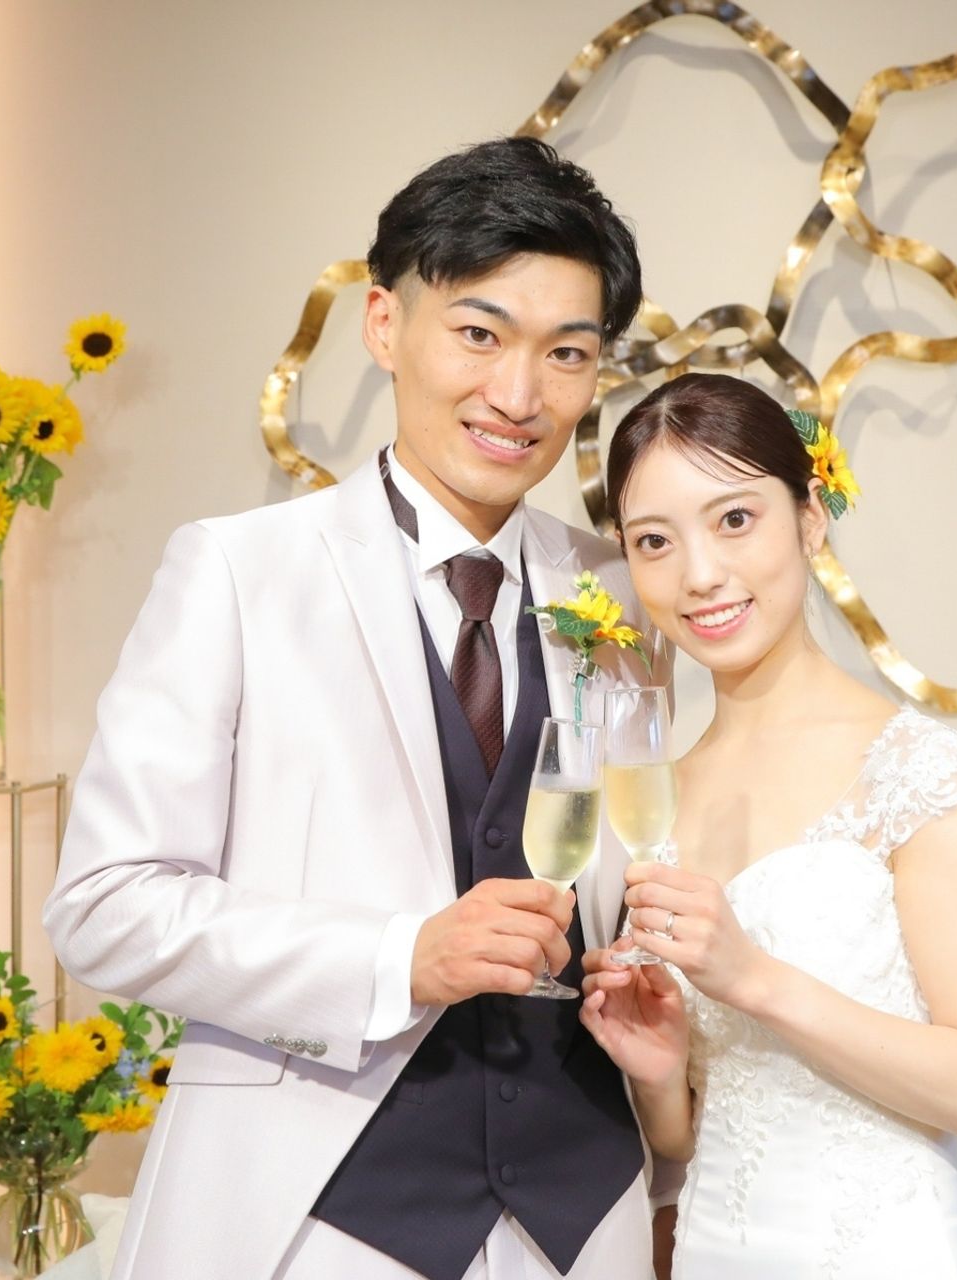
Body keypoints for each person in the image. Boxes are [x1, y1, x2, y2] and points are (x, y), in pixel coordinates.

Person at [43, 137, 668, 1280]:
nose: (518, 395)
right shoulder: (235, 571)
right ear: (384, 323)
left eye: (566, 353)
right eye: (478, 334)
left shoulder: (621, 590)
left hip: (584, 1217)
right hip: (318, 1211)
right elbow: (104, 904)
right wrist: (397, 956)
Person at [580, 372, 957, 1280]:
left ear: (810, 519)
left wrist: (754, 978)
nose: (699, 574)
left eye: (734, 519)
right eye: (655, 541)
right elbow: (697, 1133)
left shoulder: (914, 771)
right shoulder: (655, 798)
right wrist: (659, 1076)